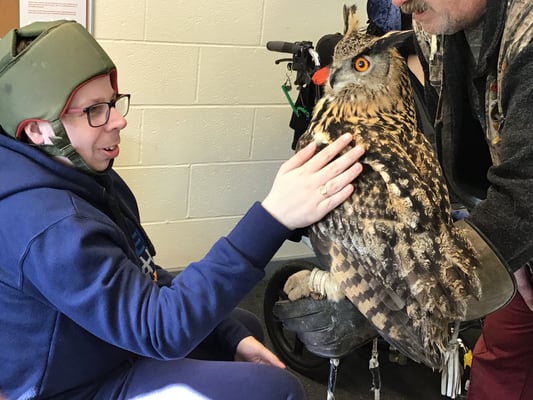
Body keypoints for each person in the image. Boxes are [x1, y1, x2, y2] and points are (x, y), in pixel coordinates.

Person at [0, 20, 366, 400]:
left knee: (241, 327)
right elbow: (159, 329)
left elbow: (144, 274)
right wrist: (274, 219)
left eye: (113, 102)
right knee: (278, 390)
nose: (119, 120)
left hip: (102, 344)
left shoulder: (90, 176)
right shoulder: (47, 226)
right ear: (37, 130)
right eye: (94, 110)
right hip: (78, 386)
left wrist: (229, 335)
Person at [391, 1, 533, 399]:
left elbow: (527, 186)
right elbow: (476, 152)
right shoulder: (438, 27)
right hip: (515, 231)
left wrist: (418, 285)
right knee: (502, 358)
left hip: (518, 213)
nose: (398, 2)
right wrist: (509, 253)